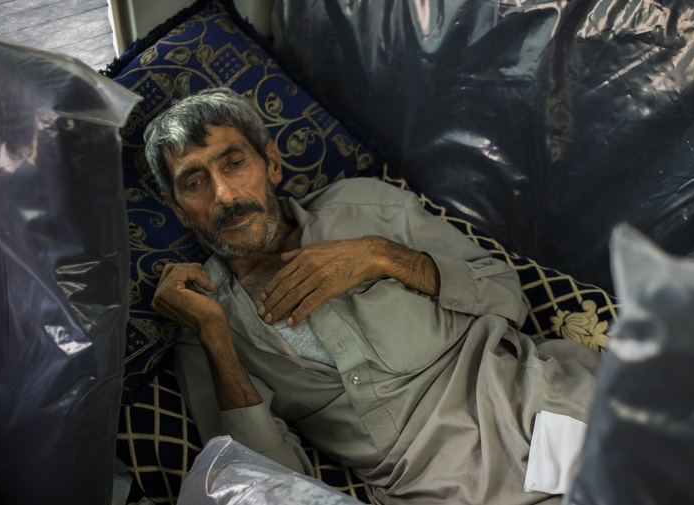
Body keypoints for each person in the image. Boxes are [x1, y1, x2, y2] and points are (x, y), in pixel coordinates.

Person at [145, 88, 601, 504]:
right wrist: (216, 336)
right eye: (194, 183)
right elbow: (266, 486)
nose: (224, 195)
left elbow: (507, 296)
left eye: (233, 163)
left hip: (538, 406)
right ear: (178, 211)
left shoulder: (363, 203)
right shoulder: (203, 323)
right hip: (442, 488)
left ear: (272, 163)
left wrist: (381, 256)